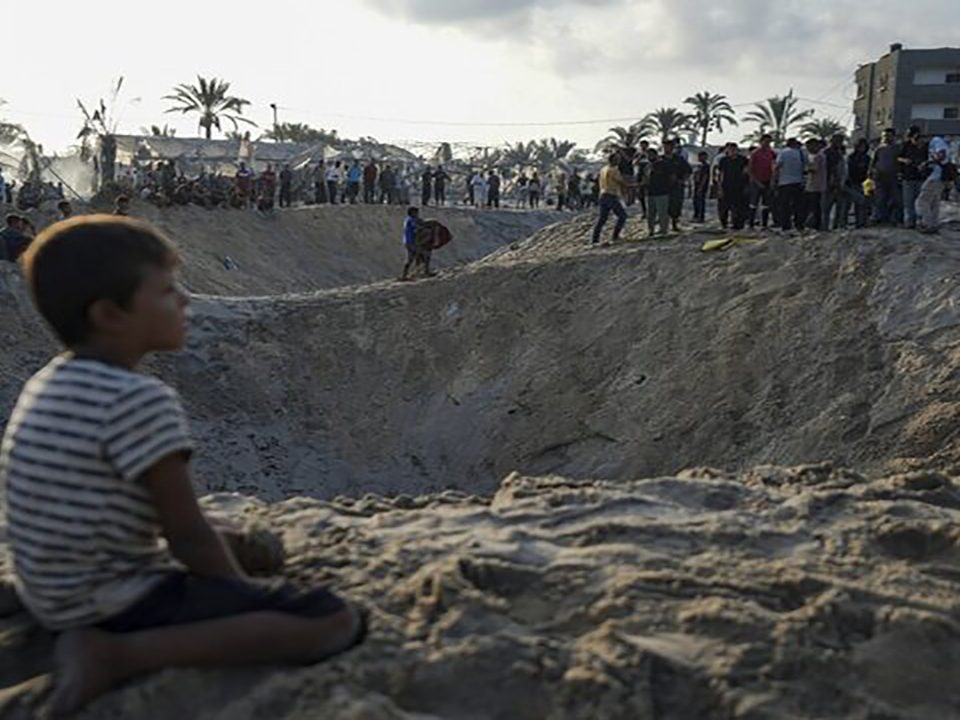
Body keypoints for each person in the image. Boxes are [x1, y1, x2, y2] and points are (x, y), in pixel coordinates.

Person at [3, 216, 365, 716]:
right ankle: (115, 656)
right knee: (332, 620)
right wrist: (244, 598)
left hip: (48, 587)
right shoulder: (139, 400)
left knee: (236, 539)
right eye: (169, 290)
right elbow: (187, 536)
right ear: (110, 314)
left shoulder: (48, 382)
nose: (186, 300)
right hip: (107, 601)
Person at [591, 152, 629, 245]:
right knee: (622, 216)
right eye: (617, 159)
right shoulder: (614, 170)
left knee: (602, 219)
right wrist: (634, 185)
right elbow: (621, 182)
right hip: (611, 195)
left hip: (603, 195)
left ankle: (595, 239)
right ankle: (615, 236)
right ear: (613, 160)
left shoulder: (603, 169)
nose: (619, 161)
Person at [917, 134, 950, 233]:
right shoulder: (940, 142)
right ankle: (933, 224)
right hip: (940, 177)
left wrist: (927, 163)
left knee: (922, 201)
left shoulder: (936, 140)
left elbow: (941, 154)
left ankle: (927, 224)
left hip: (936, 176)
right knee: (934, 202)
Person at [898, 127, 927, 229]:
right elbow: (898, 157)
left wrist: (924, 164)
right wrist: (905, 160)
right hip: (908, 177)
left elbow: (930, 159)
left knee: (920, 202)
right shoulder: (906, 146)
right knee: (908, 201)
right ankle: (909, 223)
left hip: (921, 177)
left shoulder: (925, 147)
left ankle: (920, 222)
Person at [774, 138, 806, 231]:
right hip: (798, 182)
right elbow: (805, 167)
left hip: (784, 182)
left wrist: (774, 180)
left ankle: (786, 225)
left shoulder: (783, 153)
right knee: (798, 206)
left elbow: (777, 167)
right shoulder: (801, 153)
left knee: (785, 205)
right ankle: (799, 225)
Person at [716, 143, 749, 230]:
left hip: (739, 186)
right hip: (726, 186)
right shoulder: (723, 160)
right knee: (724, 207)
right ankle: (724, 223)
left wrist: (746, 185)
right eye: (730, 150)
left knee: (738, 207)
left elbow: (746, 173)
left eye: (734, 150)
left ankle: (737, 224)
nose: (732, 151)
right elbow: (720, 174)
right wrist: (719, 187)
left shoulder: (743, 160)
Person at [870, 128, 900, 224]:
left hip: (894, 177)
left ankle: (893, 218)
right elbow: (873, 163)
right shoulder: (879, 149)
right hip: (880, 177)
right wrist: (871, 173)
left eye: (888, 136)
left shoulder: (898, 148)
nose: (886, 138)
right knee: (879, 199)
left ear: (893, 137)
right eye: (884, 136)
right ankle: (877, 217)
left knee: (895, 199)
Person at [748, 134, 777, 228]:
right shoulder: (755, 153)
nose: (767, 144)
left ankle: (764, 224)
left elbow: (774, 167)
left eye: (769, 142)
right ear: (761, 142)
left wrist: (772, 180)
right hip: (756, 181)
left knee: (766, 204)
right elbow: (750, 170)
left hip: (767, 180)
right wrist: (756, 182)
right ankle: (751, 224)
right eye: (766, 142)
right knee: (753, 203)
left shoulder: (771, 153)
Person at [663, 139, 690, 232]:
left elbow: (688, 170)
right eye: (665, 146)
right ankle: (664, 225)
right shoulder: (661, 159)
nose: (667, 148)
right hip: (663, 186)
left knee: (676, 206)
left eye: (669, 146)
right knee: (664, 206)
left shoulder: (679, 159)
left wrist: (682, 180)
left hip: (677, 186)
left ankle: (674, 224)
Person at [822, 134, 848, 230]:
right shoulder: (827, 153)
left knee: (840, 207)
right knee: (826, 208)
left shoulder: (840, 153)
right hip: (829, 184)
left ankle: (836, 227)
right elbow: (828, 168)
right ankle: (824, 228)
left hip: (840, 183)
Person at [399, 206, 432, 280]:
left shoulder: (407, 220)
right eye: (416, 213)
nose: (417, 214)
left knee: (411, 258)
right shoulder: (411, 220)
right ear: (412, 213)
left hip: (408, 242)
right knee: (425, 254)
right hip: (412, 242)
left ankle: (405, 275)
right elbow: (417, 228)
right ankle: (425, 272)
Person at [645, 148, 671, 237]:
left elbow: (670, 177)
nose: (649, 157)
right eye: (648, 155)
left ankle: (664, 230)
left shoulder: (663, 164)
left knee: (662, 213)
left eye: (651, 155)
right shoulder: (647, 166)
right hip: (650, 193)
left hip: (662, 192)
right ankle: (651, 230)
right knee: (650, 214)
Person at [846, 139, 872, 228]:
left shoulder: (867, 158)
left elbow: (869, 169)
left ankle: (863, 222)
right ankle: (858, 222)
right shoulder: (852, 157)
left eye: (863, 146)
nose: (862, 148)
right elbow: (849, 170)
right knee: (858, 202)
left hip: (866, 183)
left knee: (866, 203)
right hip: (854, 182)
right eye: (860, 146)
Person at [802, 139, 826, 231]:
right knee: (815, 207)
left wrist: (806, 168)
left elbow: (814, 169)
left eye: (809, 147)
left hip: (815, 185)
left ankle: (815, 226)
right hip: (816, 184)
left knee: (814, 207)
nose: (808, 149)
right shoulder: (820, 156)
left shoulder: (817, 157)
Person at [691, 151, 711, 223]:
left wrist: (701, 186)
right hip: (696, 184)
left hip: (701, 185)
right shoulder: (699, 165)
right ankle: (696, 215)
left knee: (700, 201)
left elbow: (705, 177)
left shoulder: (706, 166)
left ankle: (701, 217)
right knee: (695, 201)